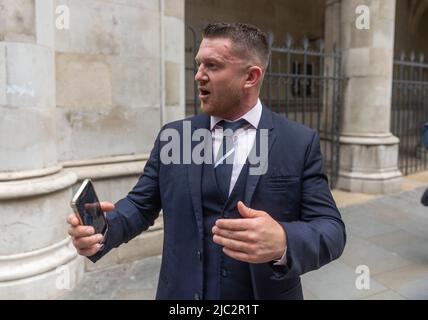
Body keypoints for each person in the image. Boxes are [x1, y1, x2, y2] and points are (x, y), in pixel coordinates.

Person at [67, 22, 346, 300]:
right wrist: (102, 230)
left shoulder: (298, 141)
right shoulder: (175, 136)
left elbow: (331, 229)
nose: (199, 75)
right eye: (199, 64)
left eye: (212, 66)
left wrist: (284, 240)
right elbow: (141, 205)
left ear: (251, 76)